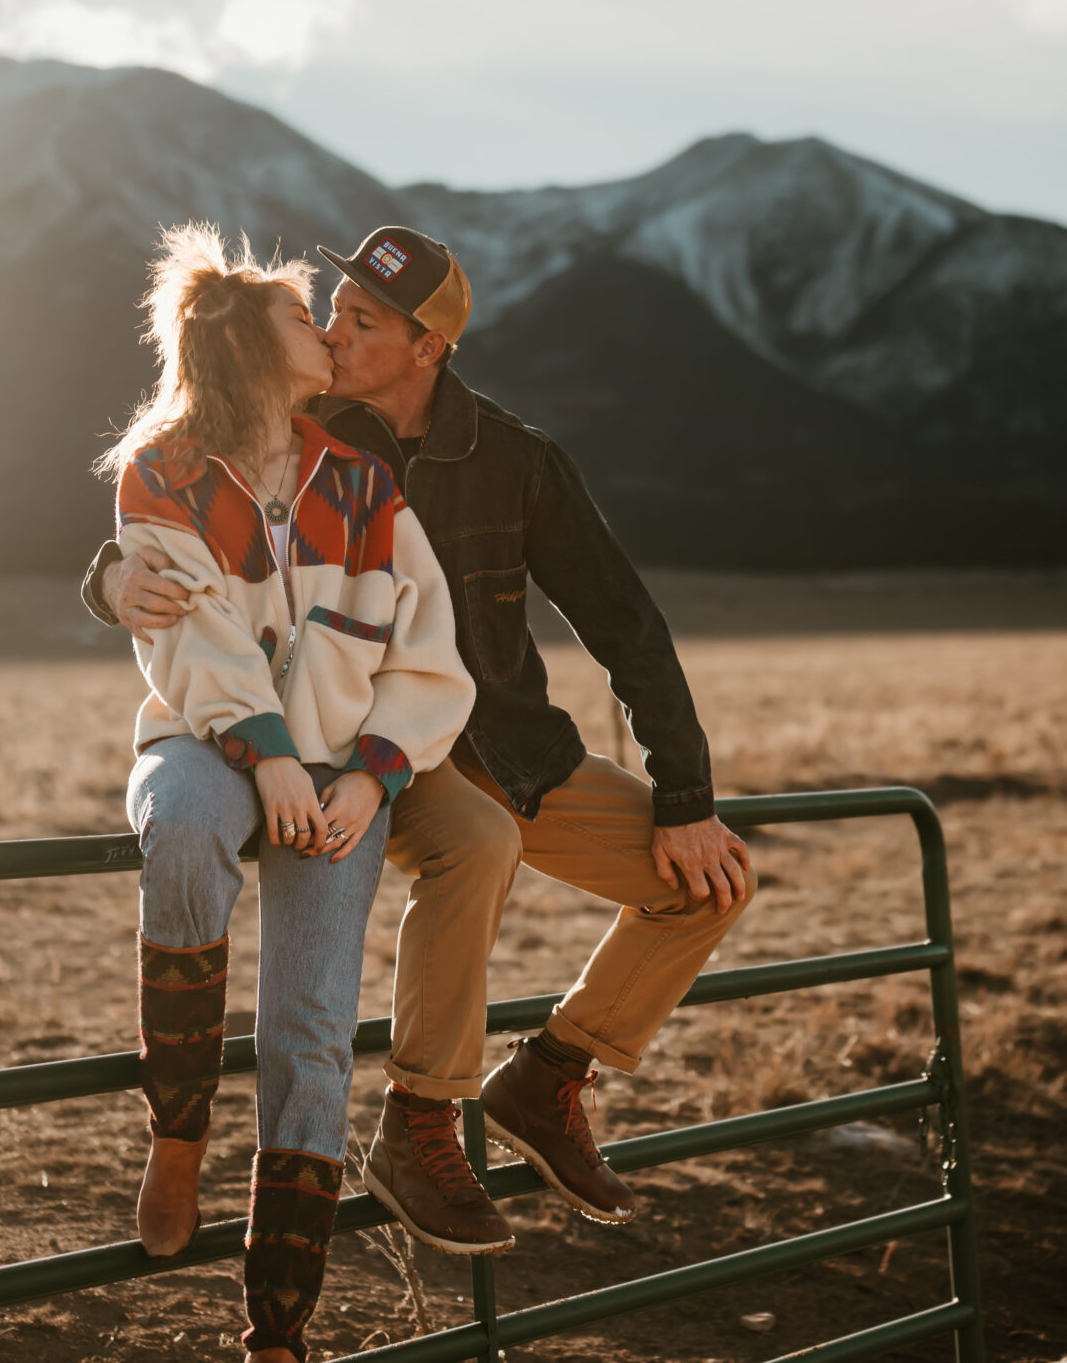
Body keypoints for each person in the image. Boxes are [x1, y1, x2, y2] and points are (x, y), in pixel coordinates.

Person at [83, 225, 754, 1257]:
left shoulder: (516, 461)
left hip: (508, 747)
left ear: (427, 345)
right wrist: (107, 580)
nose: (333, 329)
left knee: (710, 884)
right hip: (375, 747)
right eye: (330, 311)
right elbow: (189, 488)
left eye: (359, 319)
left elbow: (625, 623)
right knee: (474, 843)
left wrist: (687, 793)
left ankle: (546, 1078)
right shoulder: (312, 418)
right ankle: (420, 1123)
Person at [102, 224, 473, 1363]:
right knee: (179, 837)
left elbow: (427, 649)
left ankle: (276, 1326)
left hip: (338, 778)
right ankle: (177, 1125)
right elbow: (196, 638)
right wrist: (263, 750)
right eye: (303, 317)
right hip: (203, 745)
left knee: (310, 1033)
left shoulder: (363, 485)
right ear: (246, 347)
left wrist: (371, 774)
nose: (326, 331)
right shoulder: (159, 473)